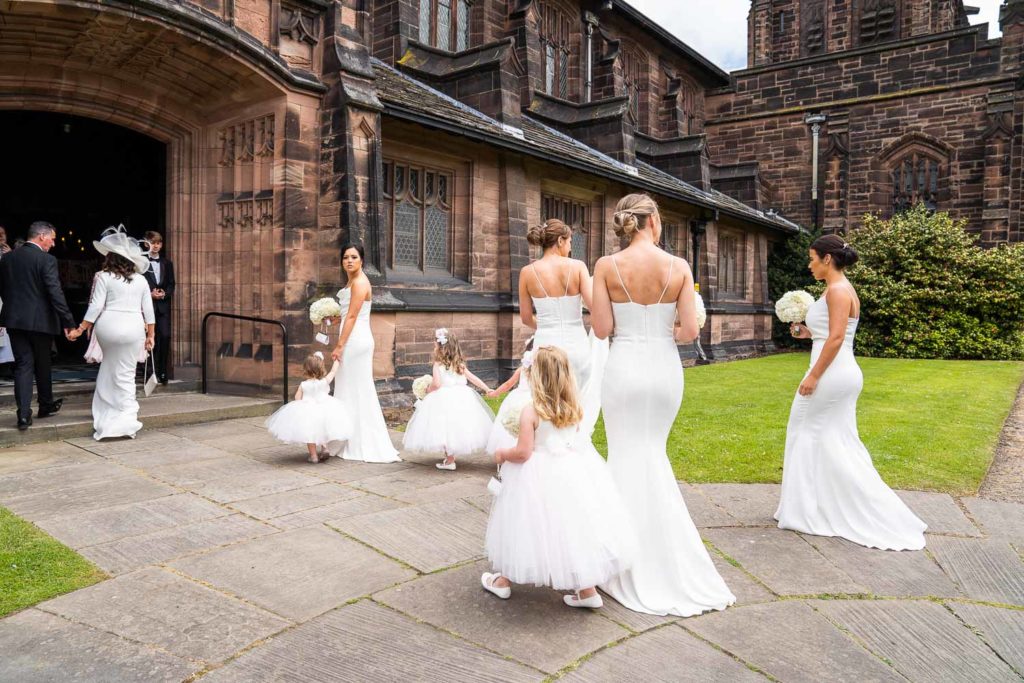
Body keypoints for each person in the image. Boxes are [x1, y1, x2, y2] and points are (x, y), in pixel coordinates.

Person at [591, 193, 735, 617]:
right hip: (663, 372)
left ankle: (617, 556)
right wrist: (660, 330)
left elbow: (601, 329)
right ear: (652, 220)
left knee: (623, 456)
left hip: (623, 368)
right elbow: (690, 330)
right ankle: (666, 554)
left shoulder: (605, 266)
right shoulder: (679, 267)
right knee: (653, 453)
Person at [776, 235, 927, 550]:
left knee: (805, 432)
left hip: (832, 374)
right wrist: (805, 331)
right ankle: (817, 503)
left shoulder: (839, 291)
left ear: (828, 259)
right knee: (830, 439)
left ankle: (808, 510)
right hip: (836, 371)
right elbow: (827, 335)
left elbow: (835, 340)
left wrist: (814, 376)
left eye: (813, 258)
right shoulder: (835, 290)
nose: (810, 264)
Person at [482, 346, 635, 609]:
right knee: (572, 526)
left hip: (535, 476)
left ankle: (503, 581)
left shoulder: (531, 411)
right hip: (571, 472)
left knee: (523, 524)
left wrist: (502, 453)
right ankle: (587, 591)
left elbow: (523, 452)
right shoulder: (574, 407)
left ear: (536, 376)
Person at [68, 227, 155, 440]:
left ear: (112, 258)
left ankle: (108, 411)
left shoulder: (103, 276)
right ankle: (126, 417)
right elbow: (149, 312)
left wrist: (81, 328)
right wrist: (151, 335)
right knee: (126, 372)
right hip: (134, 327)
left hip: (108, 326)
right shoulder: (141, 280)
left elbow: (96, 307)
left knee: (109, 366)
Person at [328, 244, 401, 463]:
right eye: (345, 257)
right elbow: (348, 313)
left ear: (362, 260)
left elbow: (353, 317)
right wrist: (334, 319)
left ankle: (361, 440)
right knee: (347, 387)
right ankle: (345, 435)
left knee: (358, 389)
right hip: (351, 337)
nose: (349, 261)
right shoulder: (351, 281)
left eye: (354, 257)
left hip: (355, 341)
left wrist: (340, 345)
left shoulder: (360, 283)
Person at [0, 221, 76, 430]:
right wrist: (68, 322)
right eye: (52, 239)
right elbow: (55, 292)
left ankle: (24, 415)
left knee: (23, 365)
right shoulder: (46, 259)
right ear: (41, 236)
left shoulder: (7, 259)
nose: (53, 243)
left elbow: (3, 289)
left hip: (14, 320)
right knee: (43, 363)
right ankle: (45, 405)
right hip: (40, 321)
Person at [403, 328, 494, 470]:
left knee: (444, 427)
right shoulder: (459, 364)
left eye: (435, 342)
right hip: (463, 398)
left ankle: (450, 460)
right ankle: (451, 457)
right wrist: (486, 388)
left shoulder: (438, 364)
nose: (434, 344)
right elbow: (473, 378)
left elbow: (437, 384)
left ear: (441, 346)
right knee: (457, 426)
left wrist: (427, 390)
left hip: (443, 399)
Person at [519, 220, 593, 390]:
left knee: (547, 402)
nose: (570, 248)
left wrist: (546, 326)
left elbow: (525, 317)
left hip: (545, 346)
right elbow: (594, 307)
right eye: (569, 242)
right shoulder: (578, 267)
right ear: (560, 241)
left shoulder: (527, 273)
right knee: (576, 401)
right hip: (577, 344)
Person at [265, 351, 352, 463]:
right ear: (321, 368)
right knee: (322, 429)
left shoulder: (303, 384)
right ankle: (325, 448)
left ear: (306, 369)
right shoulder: (324, 381)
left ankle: (314, 456)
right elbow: (333, 371)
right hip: (324, 408)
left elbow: (297, 398)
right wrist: (336, 360)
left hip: (308, 411)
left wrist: (302, 405)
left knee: (310, 434)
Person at [485, 338, 535, 454]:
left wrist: (494, 393)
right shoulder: (542, 371)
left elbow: (508, 384)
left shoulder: (522, 369)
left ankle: (509, 451)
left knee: (511, 424)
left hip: (517, 398)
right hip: (533, 399)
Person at [142, 230, 174, 385]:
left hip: (162, 307)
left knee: (165, 336)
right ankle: (149, 372)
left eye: (158, 243)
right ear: (146, 243)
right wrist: (149, 294)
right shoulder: (140, 262)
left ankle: (162, 371)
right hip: (146, 306)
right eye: (152, 242)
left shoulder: (167, 263)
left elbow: (171, 284)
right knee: (147, 339)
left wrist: (164, 294)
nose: (155, 246)